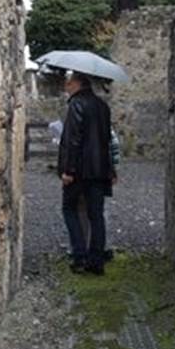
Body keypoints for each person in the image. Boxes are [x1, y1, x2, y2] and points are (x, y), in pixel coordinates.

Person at [58, 70, 115, 274]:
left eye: (69, 81)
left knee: (69, 209)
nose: (66, 85)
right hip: (100, 170)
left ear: (78, 83)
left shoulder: (76, 105)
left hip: (80, 170)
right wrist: (111, 169)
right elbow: (107, 140)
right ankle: (96, 261)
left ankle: (80, 255)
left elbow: (73, 140)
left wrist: (68, 170)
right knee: (96, 215)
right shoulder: (103, 106)